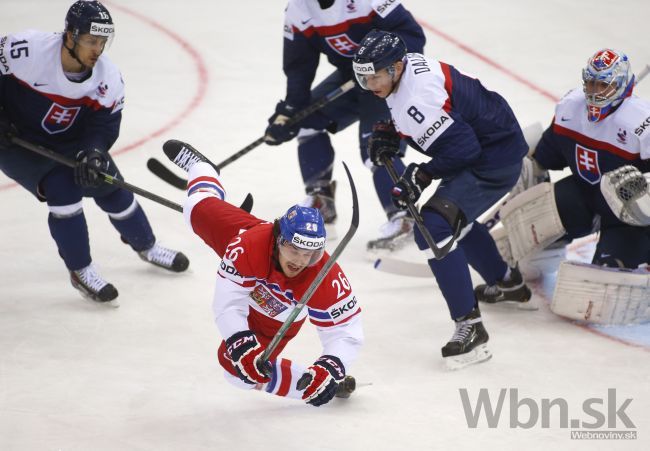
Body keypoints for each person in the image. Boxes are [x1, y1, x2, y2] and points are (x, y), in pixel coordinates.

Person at [353, 30, 533, 369]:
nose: (369, 85)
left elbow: (463, 148)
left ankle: (471, 326)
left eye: (373, 76)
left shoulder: (417, 95)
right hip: (491, 144)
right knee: (453, 221)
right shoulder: (403, 75)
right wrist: (391, 132)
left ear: (394, 67)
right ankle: (507, 282)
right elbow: (439, 122)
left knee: (434, 228)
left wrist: (421, 175)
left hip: (492, 160)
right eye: (363, 78)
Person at [0, 1, 189, 304]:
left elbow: (105, 123)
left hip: (71, 140)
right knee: (63, 190)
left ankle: (147, 246)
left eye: (102, 42)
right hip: (15, 142)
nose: (97, 49)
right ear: (70, 36)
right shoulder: (27, 49)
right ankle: (81, 270)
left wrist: (94, 152)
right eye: (91, 40)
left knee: (108, 183)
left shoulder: (107, 78)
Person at [164, 141, 362, 406]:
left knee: (238, 372)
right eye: (294, 249)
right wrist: (240, 339)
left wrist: (329, 368)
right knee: (196, 205)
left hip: (278, 310)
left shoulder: (324, 276)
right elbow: (228, 302)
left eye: (310, 254)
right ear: (279, 239)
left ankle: (313, 384)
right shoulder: (248, 245)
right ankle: (203, 168)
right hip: (248, 245)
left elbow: (346, 330)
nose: (301, 261)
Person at [493, 49, 650, 323]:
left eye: (603, 85)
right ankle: (550, 250)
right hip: (584, 196)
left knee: (599, 298)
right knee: (528, 259)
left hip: (629, 221)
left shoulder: (642, 125)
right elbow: (545, 155)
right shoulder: (570, 108)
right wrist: (526, 169)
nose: (594, 92)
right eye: (590, 83)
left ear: (622, 86)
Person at [263, 0, 425, 251]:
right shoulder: (299, 8)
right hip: (353, 79)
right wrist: (292, 109)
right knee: (306, 122)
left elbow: (411, 35)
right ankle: (321, 199)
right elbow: (299, 66)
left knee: (377, 148)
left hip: (389, 81)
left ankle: (404, 217)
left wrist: (380, 64)